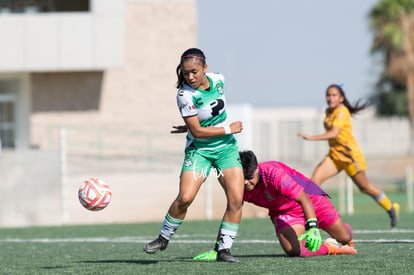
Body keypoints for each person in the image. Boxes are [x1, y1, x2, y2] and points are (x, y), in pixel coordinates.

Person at [143, 48, 245, 263]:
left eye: (194, 72)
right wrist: (228, 128)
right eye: (185, 72)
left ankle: (223, 250)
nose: (190, 77)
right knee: (185, 198)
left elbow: (208, 115)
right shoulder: (184, 95)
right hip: (199, 150)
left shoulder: (219, 79)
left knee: (236, 199)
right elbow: (198, 131)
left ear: (205, 68)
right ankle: (163, 238)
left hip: (226, 149)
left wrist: (197, 125)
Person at [193, 150, 357, 260]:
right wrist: (218, 249)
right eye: (241, 177)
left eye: (249, 176)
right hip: (283, 212)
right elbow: (232, 213)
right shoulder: (237, 184)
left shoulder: (273, 174)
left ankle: (343, 234)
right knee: (293, 251)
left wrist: (313, 227)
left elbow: (303, 199)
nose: (245, 182)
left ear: (256, 169)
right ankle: (330, 247)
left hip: (312, 200)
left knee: (344, 237)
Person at [297, 84, 399, 227]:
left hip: (351, 158)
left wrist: (311, 137)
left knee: (365, 188)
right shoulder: (328, 111)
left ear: (341, 98)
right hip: (334, 157)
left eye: (334, 95)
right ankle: (311, 219)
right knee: (313, 183)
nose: (330, 98)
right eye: (328, 95)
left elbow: (334, 133)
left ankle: (391, 207)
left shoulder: (342, 112)